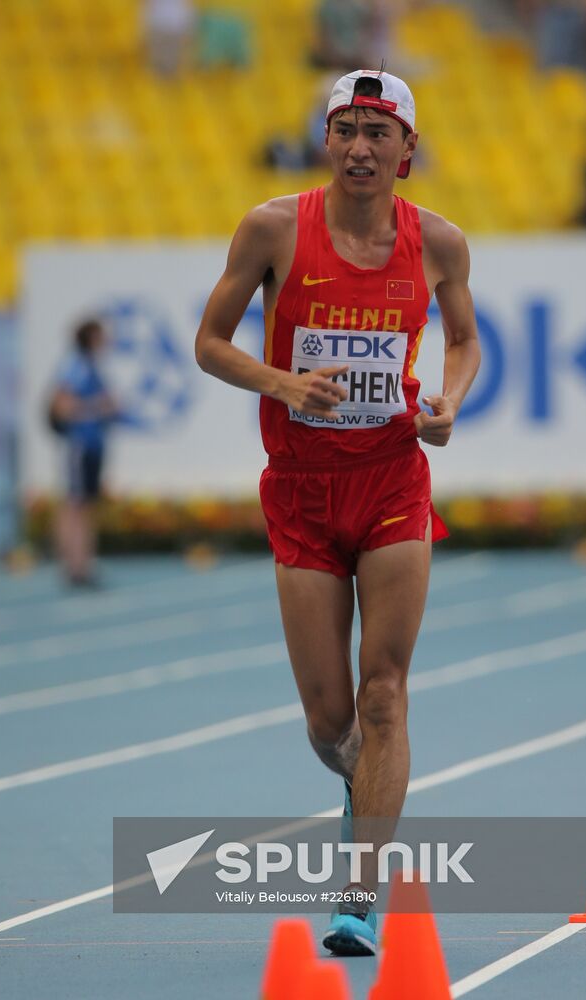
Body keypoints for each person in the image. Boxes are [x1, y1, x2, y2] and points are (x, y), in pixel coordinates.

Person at [195, 69, 481, 956]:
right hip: (303, 490)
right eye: (346, 130)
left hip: (392, 483)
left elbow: (464, 340)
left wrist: (449, 402)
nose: (360, 147)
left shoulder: (439, 242)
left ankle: (358, 897)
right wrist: (284, 384)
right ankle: (362, 783)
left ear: (407, 149)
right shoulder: (274, 228)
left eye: (377, 132)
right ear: (327, 140)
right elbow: (209, 343)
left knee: (383, 694)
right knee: (330, 722)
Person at [49, 319, 118, 588]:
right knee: (74, 504)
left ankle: (83, 563)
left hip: (93, 445)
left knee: (85, 505)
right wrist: (97, 407)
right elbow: (61, 407)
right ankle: (73, 565)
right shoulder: (76, 367)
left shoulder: (90, 366)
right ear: (90, 338)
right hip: (80, 445)